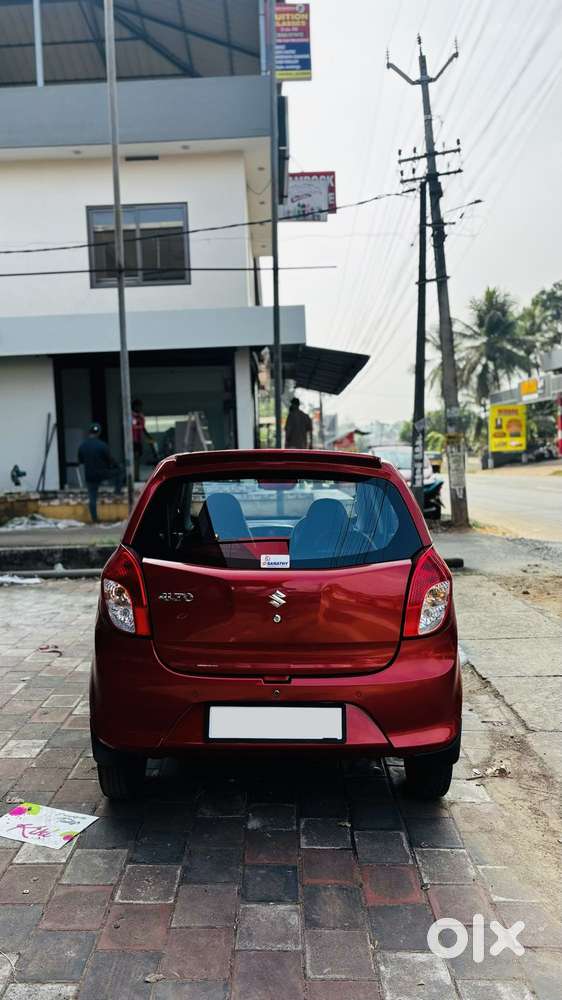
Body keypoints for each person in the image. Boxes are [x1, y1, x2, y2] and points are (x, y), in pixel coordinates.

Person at [78, 423, 124, 524]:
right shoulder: (102, 445)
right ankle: (117, 492)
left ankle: (95, 519)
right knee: (120, 472)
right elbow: (110, 460)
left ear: (89, 432)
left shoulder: (82, 446)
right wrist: (117, 465)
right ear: (98, 432)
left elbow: (80, 461)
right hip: (102, 474)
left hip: (89, 475)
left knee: (92, 497)